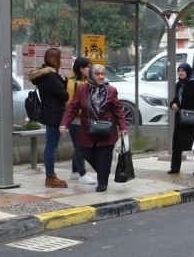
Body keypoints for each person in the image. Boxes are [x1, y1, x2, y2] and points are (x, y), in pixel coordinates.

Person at [59, 64, 129, 192]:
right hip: (87, 130)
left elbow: (118, 111)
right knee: (84, 151)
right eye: (97, 74)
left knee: (104, 157)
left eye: (103, 74)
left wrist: (122, 126)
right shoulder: (81, 89)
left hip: (107, 130)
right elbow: (72, 108)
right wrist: (64, 123)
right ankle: (104, 172)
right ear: (91, 75)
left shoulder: (111, 90)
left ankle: (102, 182)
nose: (101, 76)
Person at [27, 47, 70, 188]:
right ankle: (50, 177)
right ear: (55, 59)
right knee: (51, 146)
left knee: (50, 146)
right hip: (54, 114)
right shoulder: (51, 76)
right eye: (60, 58)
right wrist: (63, 82)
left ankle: (51, 175)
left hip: (49, 113)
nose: (62, 60)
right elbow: (64, 95)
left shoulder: (45, 76)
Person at [168, 62, 194, 176]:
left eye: (183, 70)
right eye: (179, 70)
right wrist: (172, 104)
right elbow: (176, 99)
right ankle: (175, 167)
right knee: (177, 145)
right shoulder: (179, 84)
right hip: (181, 119)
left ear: (188, 71)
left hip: (193, 120)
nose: (181, 73)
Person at [65, 57, 96, 185]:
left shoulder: (85, 81)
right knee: (80, 147)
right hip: (76, 120)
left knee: (78, 146)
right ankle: (82, 174)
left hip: (83, 119)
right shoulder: (72, 83)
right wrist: (84, 110)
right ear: (81, 68)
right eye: (87, 67)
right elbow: (69, 103)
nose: (90, 69)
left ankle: (74, 172)